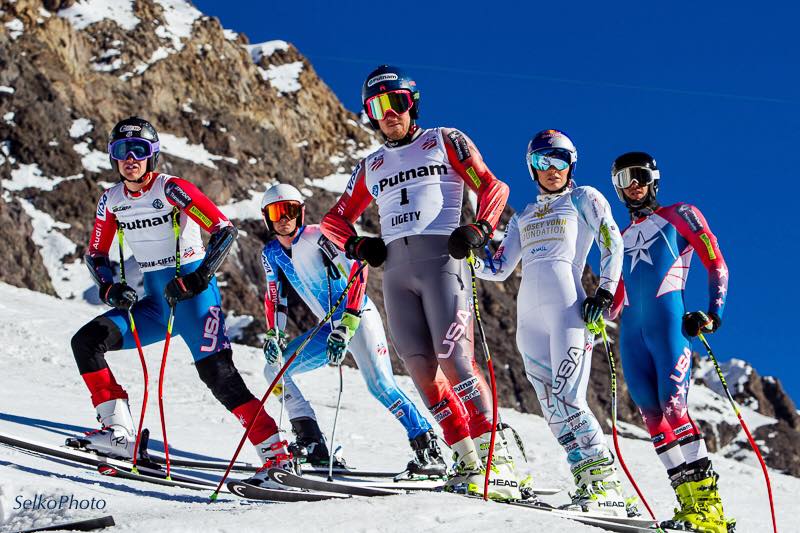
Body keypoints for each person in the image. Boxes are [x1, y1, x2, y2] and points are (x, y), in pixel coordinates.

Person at [320, 65, 519, 500]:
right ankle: (466, 458)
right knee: (419, 368)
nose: (388, 113)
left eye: (397, 102)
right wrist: (357, 246)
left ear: (413, 104)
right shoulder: (370, 165)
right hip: (395, 271)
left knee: (455, 361)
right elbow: (332, 221)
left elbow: (493, 187)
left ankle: (496, 459)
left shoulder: (445, 140)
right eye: (377, 106)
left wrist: (480, 229)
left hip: (442, 261)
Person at [69, 117, 290, 488]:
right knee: (87, 342)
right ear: (113, 157)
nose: (131, 159)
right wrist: (109, 290)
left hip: (195, 299)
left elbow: (223, 230)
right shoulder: (111, 200)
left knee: (220, 378)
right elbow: (95, 255)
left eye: (139, 151)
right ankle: (118, 433)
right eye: (122, 151)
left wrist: (198, 276)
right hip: (156, 304)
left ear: (152, 155)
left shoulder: (172, 189)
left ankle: (276, 453)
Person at [473, 129, 633, 517]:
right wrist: (470, 253)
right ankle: (586, 477)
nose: (551, 169)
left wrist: (606, 292)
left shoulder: (584, 198)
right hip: (528, 315)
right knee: (549, 403)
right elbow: (499, 268)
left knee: (571, 397)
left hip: (568, 308)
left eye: (559, 160)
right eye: (541, 162)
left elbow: (612, 239)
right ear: (532, 168)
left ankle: (608, 483)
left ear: (571, 164)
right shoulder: (523, 216)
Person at [259, 183, 445, 476]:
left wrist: (348, 322)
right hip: (328, 328)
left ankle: (428, 448)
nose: (284, 218)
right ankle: (313, 444)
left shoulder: (319, 235)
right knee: (275, 371)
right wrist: (274, 333)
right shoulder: (271, 253)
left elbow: (359, 268)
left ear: (300, 213)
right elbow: (274, 296)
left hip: (356, 318)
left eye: (290, 210)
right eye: (276, 212)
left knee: (380, 385)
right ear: (267, 217)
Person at [609, 152, 733, 532]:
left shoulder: (681, 214)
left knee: (675, 409)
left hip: (668, 329)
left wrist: (712, 314)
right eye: (622, 180)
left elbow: (716, 263)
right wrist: (592, 317)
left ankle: (710, 512)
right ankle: (687, 505)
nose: (632, 184)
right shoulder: (621, 235)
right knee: (651, 417)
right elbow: (615, 297)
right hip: (631, 336)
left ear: (654, 179)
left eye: (639, 176)